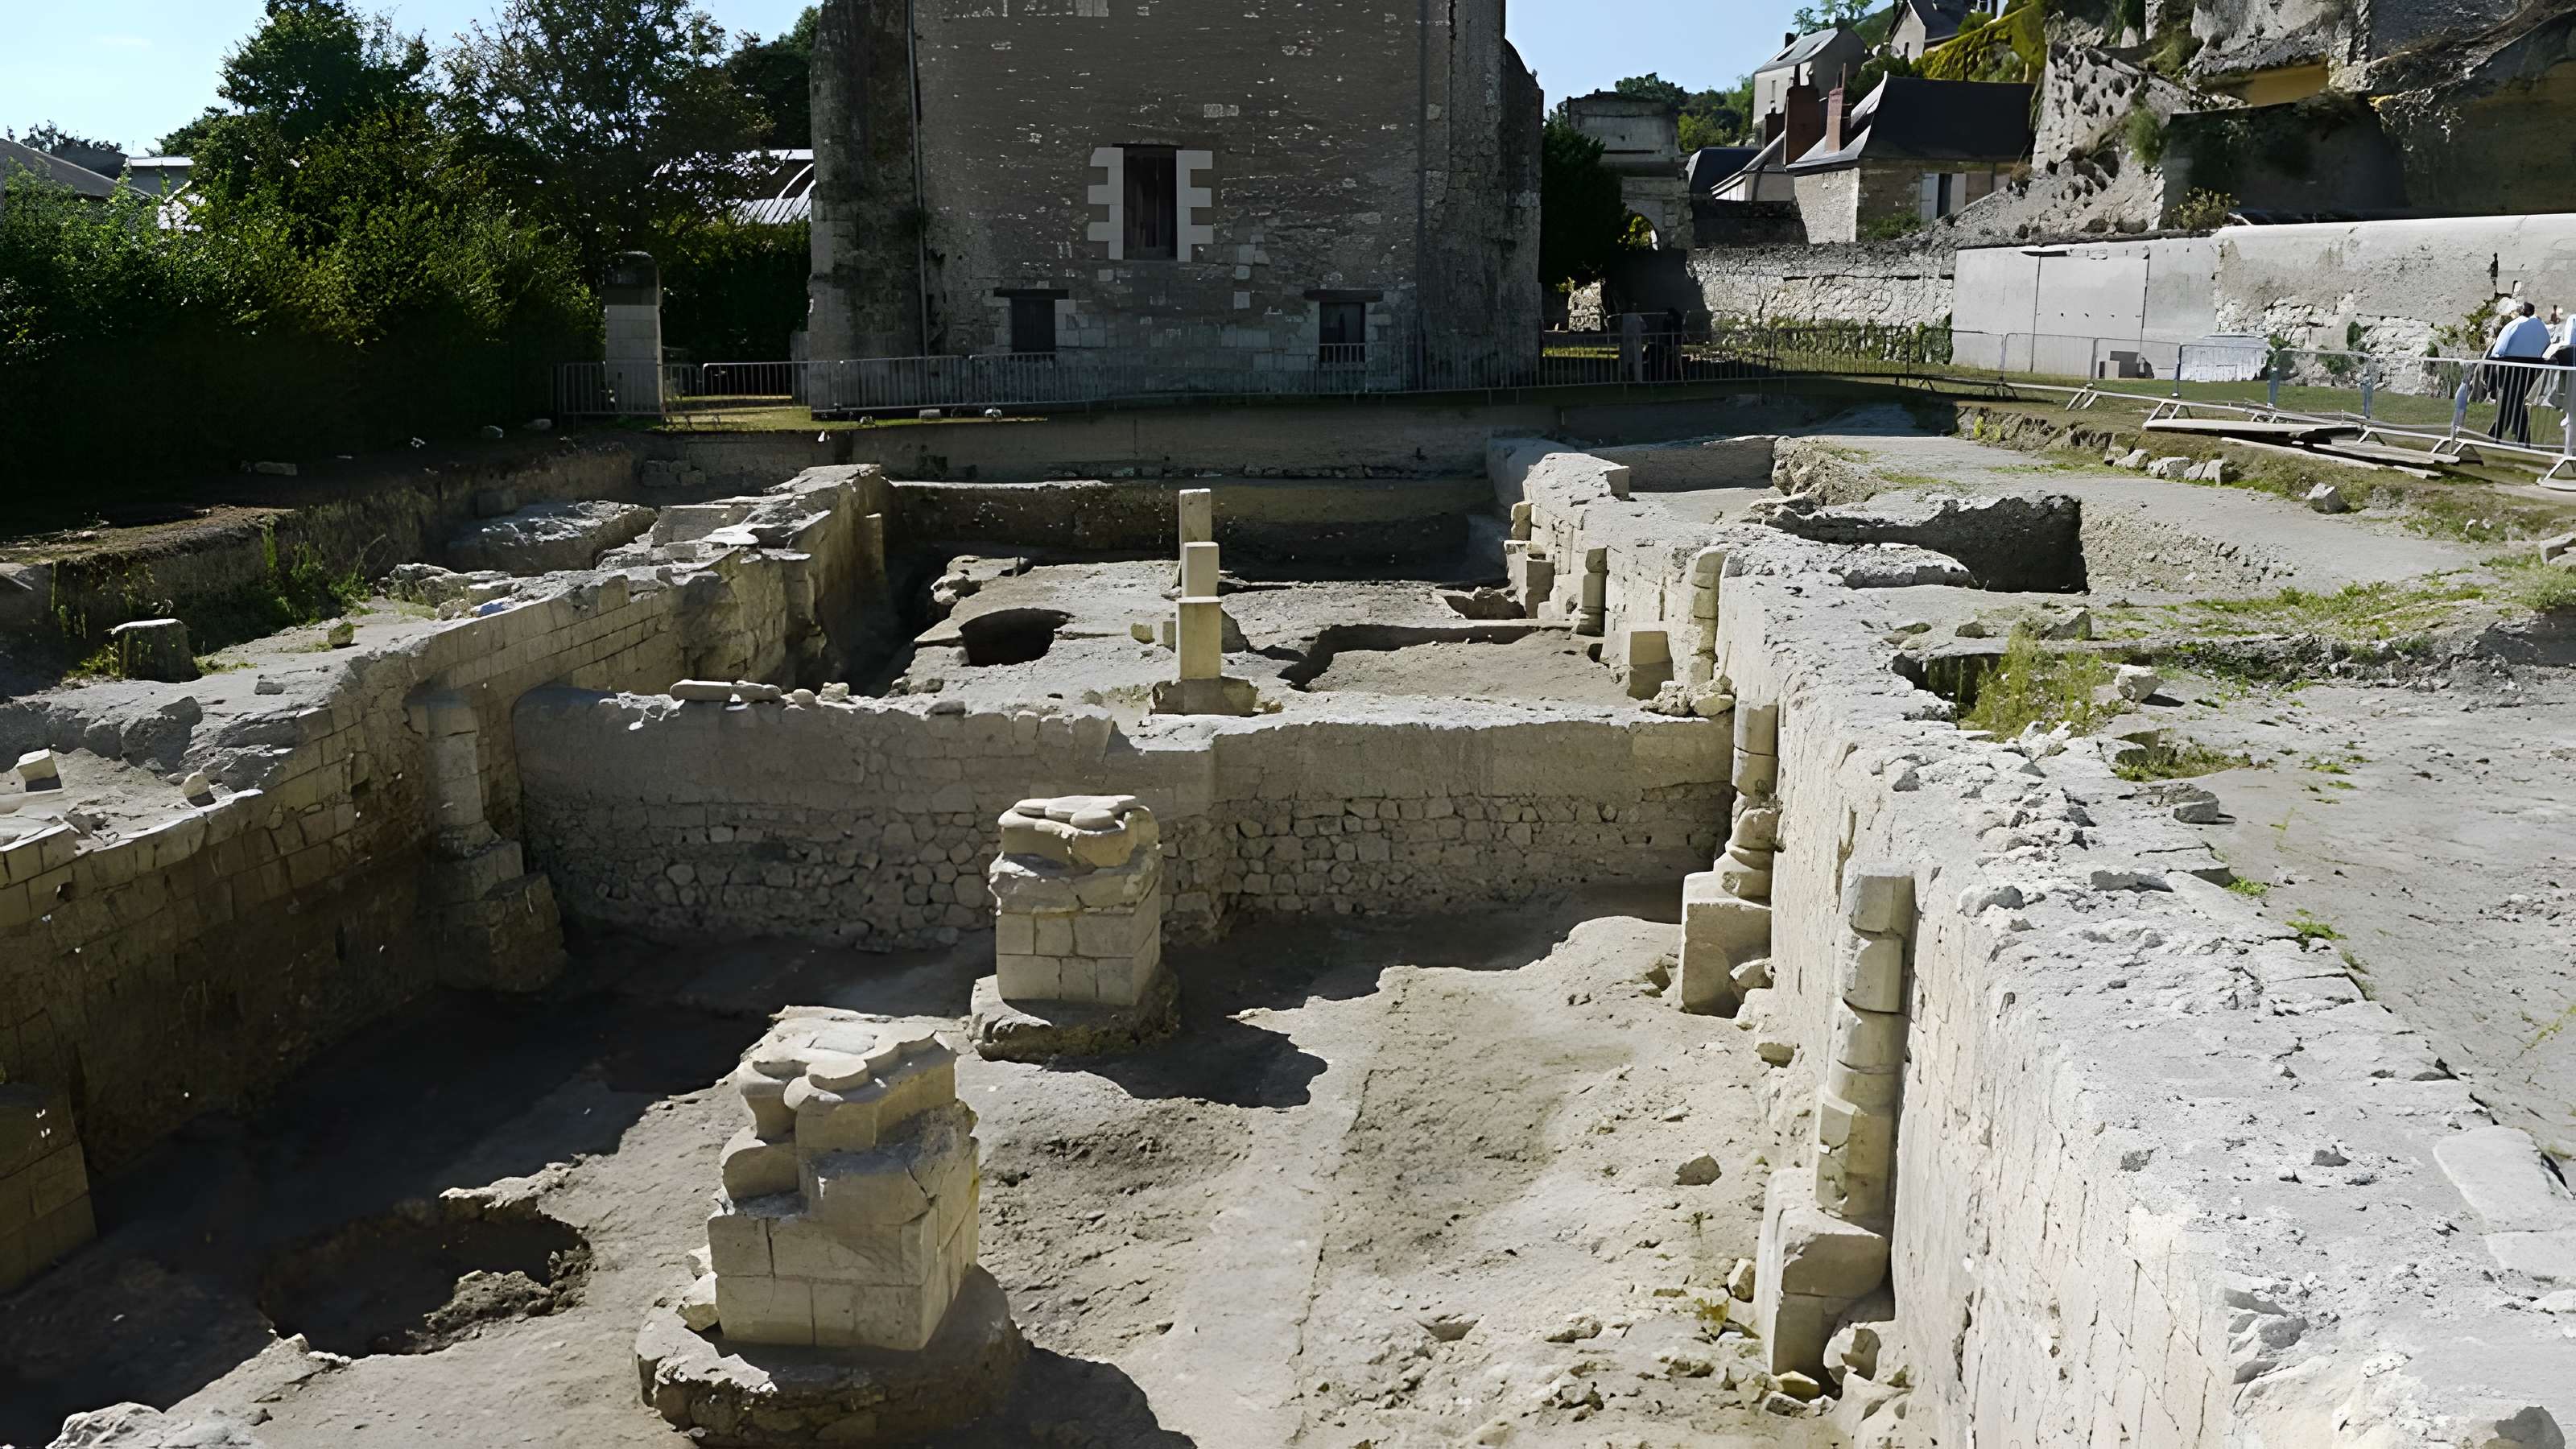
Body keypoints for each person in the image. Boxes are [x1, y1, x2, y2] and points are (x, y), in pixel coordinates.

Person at [2487, 300, 2552, 444]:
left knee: (2506, 399)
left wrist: (2494, 361)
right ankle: (2518, 434)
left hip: (2511, 364)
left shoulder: (2515, 325)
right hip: (2532, 366)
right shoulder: (2540, 326)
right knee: (2521, 401)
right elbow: (2547, 343)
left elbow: (2499, 349)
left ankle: (2500, 433)